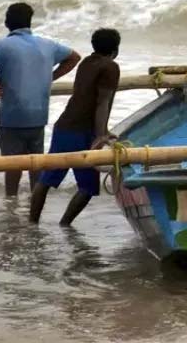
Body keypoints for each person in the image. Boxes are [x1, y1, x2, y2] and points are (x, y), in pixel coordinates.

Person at [0, 2, 81, 197]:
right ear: (30, 22)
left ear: (7, 22)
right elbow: (74, 57)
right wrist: (51, 77)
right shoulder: (49, 45)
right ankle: (35, 206)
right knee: (36, 164)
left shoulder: (1, 45)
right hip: (38, 115)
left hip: (12, 116)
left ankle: (11, 204)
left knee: (12, 166)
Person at [29, 28, 121, 226]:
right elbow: (102, 102)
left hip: (64, 126)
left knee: (46, 180)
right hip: (83, 131)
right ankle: (64, 224)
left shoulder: (86, 62)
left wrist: (102, 130)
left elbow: (88, 98)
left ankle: (32, 223)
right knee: (88, 187)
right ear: (115, 50)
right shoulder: (110, 67)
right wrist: (100, 135)